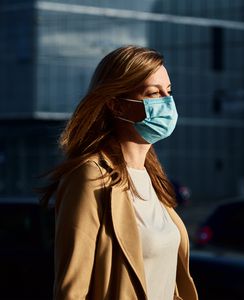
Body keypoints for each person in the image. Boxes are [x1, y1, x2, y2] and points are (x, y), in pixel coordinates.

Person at [40, 45, 198, 300]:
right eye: (152, 93)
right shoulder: (89, 177)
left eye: (168, 92)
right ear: (116, 106)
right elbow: (72, 291)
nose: (167, 102)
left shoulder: (152, 178)